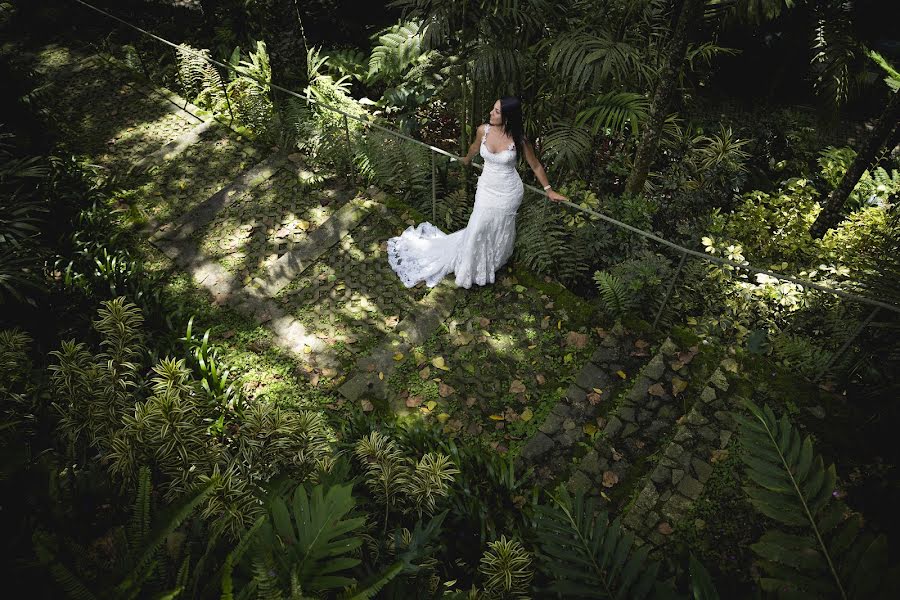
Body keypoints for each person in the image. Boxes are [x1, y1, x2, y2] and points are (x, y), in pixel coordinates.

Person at [387, 96, 567, 289]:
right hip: (487, 188)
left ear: (507, 117)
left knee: (499, 227)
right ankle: (470, 267)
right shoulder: (483, 130)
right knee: (477, 225)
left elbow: (536, 165)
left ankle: (492, 261)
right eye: (493, 108)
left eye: (497, 111)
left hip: (509, 192)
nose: (491, 112)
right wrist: (467, 158)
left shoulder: (519, 139)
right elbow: (474, 146)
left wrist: (549, 190)